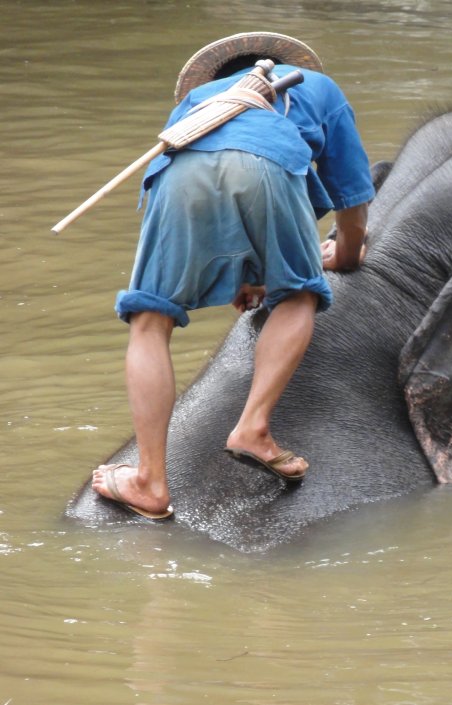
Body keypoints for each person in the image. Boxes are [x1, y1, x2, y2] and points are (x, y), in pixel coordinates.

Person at [91, 33, 375, 520]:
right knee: (299, 296)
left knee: (149, 320)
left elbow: (217, 174)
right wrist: (346, 253)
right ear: (286, 64)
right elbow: (352, 197)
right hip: (270, 161)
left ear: (214, 77)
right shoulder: (319, 88)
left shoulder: (199, 104)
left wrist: (251, 275)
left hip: (179, 167)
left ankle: (149, 483)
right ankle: (253, 426)